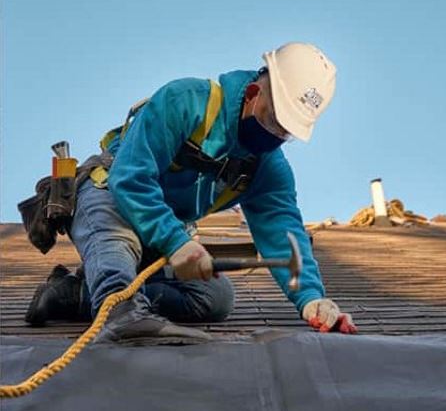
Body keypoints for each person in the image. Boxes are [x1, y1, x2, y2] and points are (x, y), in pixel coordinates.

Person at [25, 42, 358, 343]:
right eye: (274, 119)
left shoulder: (268, 169)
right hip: (110, 196)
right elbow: (130, 180)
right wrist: (176, 243)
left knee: (214, 298)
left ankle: (74, 294)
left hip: (160, 230)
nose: (275, 134)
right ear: (255, 91)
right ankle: (121, 314)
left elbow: (284, 232)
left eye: (287, 131)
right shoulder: (185, 102)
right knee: (116, 239)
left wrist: (311, 297)